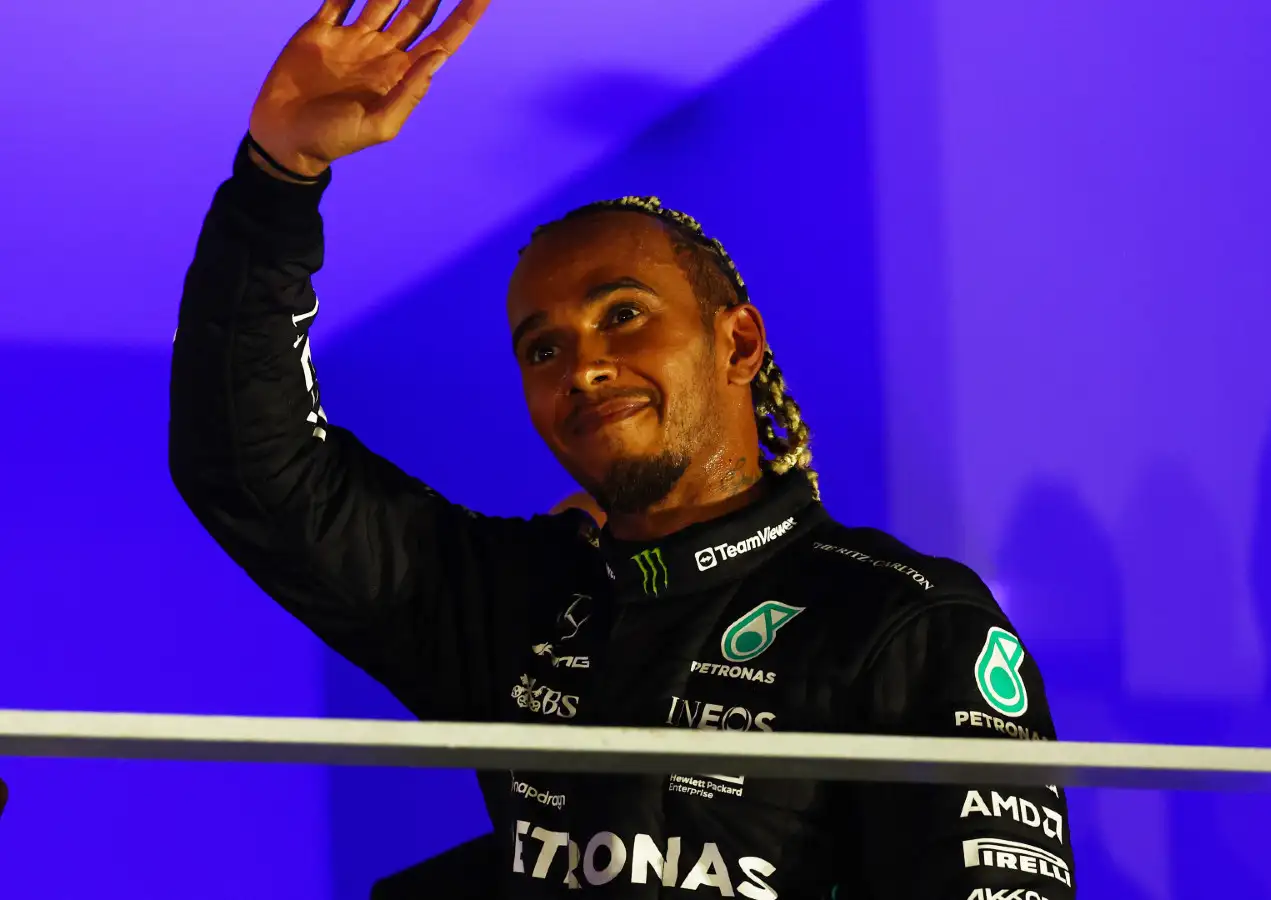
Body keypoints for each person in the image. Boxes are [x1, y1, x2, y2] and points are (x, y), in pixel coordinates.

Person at [168, 1, 1075, 896]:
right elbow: (252, 466)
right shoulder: (516, 601)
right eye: (543, 348)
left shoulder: (904, 621)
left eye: (624, 315)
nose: (585, 367)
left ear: (739, 343)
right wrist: (279, 177)